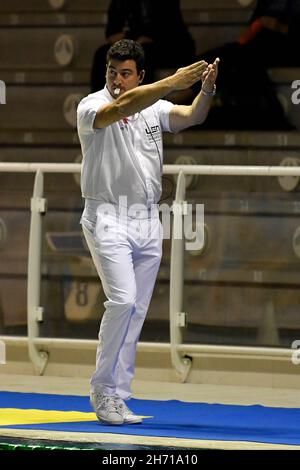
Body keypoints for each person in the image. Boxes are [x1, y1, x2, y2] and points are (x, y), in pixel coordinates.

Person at [77, 39, 219, 425]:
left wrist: (205, 88)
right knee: (122, 301)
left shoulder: (154, 109)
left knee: (136, 311)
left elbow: (192, 116)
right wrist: (173, 81)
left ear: (139, 74)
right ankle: (101, 390)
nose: (118, 81)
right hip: (106, 216)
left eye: (126, 74)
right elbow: (122, 107)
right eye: (112, 73)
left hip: (146, 219)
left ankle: (118, 396)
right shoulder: (92, 106)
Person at [193, 0, 300, 130]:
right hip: (258, 47)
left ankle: (189, 93)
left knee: (233, 55)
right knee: (232, 56)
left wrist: (278, 26)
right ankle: (273, 111)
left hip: (287, 48)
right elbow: (254, 24)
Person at [90, 0, 196, 93]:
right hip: (134, 43)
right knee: (101, 54)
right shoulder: (121, 2)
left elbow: (167, 30)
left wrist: (136, 39)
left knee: (144, 53)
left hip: (169, 44)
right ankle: (100, 107)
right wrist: (133, 40)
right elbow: (112, 34)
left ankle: (140, 104)